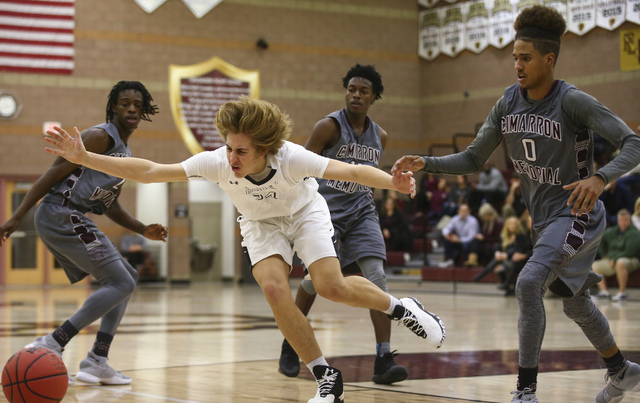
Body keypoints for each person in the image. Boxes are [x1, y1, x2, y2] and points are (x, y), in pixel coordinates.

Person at [45, 96, 446, 403]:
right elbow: (150, 172)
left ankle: (402, 308)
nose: (231, 158)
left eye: (241, 151)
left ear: (265, 149)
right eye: (229, 148)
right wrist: (84, 157)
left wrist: (392, 183)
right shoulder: (218, 161)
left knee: (329, 286)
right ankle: (327, 378)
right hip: (259, 223)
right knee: (273, 289)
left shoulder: (291, 157)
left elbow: (352, 171)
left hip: (304, 212)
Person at [392, 5, 640, 402]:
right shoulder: (507, 103)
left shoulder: (573, 101)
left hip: (577, 213)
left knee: (527, 284)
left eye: (525, 58)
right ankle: (621, 370)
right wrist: (427, 162)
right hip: (543, 222)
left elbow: (634, 143)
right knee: (576, 306)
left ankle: (526, 392)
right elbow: (473, 158)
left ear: (549, 59)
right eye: (514, 58)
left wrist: (599, 177)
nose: (517, 66)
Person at [0, 81, 168, 385]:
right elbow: (52, 174)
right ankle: (54, 341)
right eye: (125, 102)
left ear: (144, 111)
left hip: (69, 216)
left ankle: (96, 361)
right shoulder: (99, 136)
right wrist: (15, 217)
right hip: (60, 212)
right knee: (119, 281)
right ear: (114, 107)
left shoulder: (124, 150)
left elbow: (109, 204)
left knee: (127, 277)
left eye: (137, 104)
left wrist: (143, 228)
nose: (131, 108)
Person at [278, 64, 409, 385]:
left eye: (363, 91)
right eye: (351, 89)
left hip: (363, 212)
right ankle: (291, 343)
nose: (356, 95)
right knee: (314, 281)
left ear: (374, 97)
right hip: (325, 212)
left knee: (377, 277)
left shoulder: (381, 136)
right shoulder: (328, 127)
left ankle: (383, 357)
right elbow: (300, 168)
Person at [474, 216, 533, 296]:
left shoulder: (521, 236)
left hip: (518, 261)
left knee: (501, 263)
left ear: (518, 225)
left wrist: (507, 255)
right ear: (507, 225)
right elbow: (498, 247)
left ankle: (483, 275)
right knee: (498, 263)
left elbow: (521, 249)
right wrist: (497, 252)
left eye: (514, 224)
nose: (513, 226)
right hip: (507, 260)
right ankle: (507, 287)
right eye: (510, 224)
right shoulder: (504, 236)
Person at [592, 209, 640, 301]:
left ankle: (622, 293)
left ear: (629, 220)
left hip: (631, 259)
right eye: (621, 220)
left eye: (625, 220)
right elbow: (600, 241)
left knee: (620, 262)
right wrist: (604, 256)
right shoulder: (612, 231)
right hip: (612, 259)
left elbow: (630, 252)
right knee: (594, 265)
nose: (623, 222)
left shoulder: (634, 233)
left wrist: (614, 258)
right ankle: (604, 292)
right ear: (618, 220)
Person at [438, 203, 480, 268]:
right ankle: (449, 260)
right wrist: (447, 234)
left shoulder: (473, 221)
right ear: (458, 211)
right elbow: (446, 228)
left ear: (469, 211)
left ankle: (470, 261)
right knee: (447, 238)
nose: (463, 212)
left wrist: (459, 239)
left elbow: (472, 237)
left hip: (469, 244)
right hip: (459, 243)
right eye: (462, 210)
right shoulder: (455, 219)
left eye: (465, 210)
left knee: (474, 242)